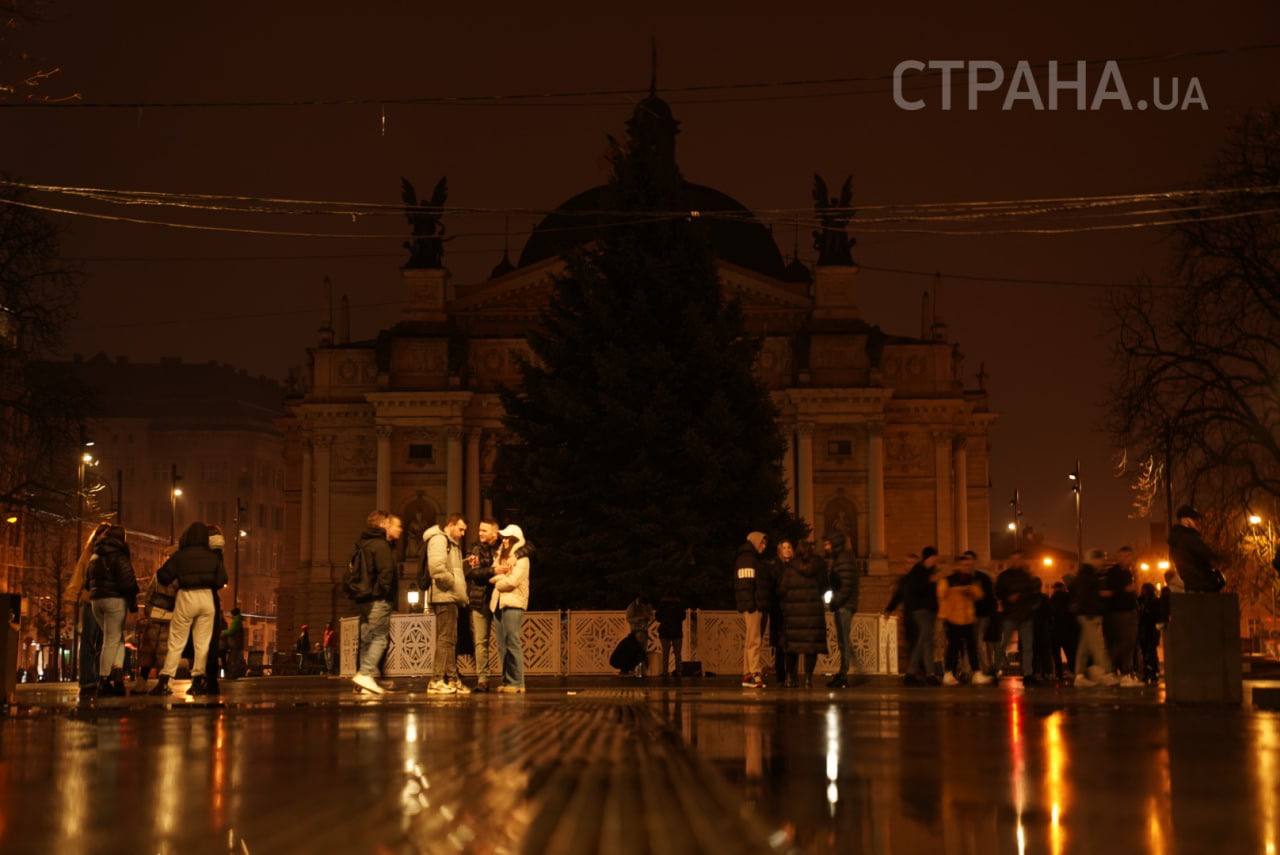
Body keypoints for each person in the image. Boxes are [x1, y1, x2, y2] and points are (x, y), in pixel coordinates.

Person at [150, 522, 228, 696]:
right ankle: (197, 682)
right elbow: (222, 579)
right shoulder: (212, 556)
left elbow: (162, 576)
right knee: (202, 643)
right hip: (207, 598)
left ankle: (165, 680)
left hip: (186, 596)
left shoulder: (181, 555)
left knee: (176, 641)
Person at [348, 510, 402, 696]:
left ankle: (364, 683)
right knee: (380, 638)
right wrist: (382, 593)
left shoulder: (363, 543)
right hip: (377, 599)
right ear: (382, 524)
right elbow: (386, 573)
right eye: (388, 522)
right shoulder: (381, 545)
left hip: (362, 598)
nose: (394, 527)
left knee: (366, 639)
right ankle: (365, 674)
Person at [85, 524, 139, 698]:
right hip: (114, 601)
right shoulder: (119, 555)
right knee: (111, 640)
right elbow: (128, 582)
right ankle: (104, 679)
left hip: (96, 602)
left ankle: (117, 677)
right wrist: (133, 603)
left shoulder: (95, 555)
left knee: (117, 639)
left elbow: (87, 582)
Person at [421, 513, 469, 695]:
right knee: (445, 639)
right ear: (451, 524)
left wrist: (466, 564)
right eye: (461, 529)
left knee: (449, 639)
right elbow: (437, 569)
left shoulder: (450, 543)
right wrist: (453, 583)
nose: (463, 533)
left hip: (450, 596)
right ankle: (436, 680)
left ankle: (453, 679)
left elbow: (450, 567)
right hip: (445, 596)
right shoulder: (439, 540)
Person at [885, 546, 940, 685]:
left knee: (925, 642)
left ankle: (927, 674)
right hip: (917, 614)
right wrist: (889, 608)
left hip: (926, 612)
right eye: (908, 563)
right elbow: (902, 594)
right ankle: (913, 673)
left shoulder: (928, 571)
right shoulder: (916, 574)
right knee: (921, 642)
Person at [67, 523, 109, 703]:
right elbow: (79, 574)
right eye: (103, 535)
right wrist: (72, 594)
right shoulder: (89, 553)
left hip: (105, 601)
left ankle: (98, 678)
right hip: (91, 600)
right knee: (90, 639)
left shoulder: (108, 553)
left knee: (101, 642)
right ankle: (87, 680)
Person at [778, 540, 828, 689]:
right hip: (813, 615)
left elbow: (782, 590)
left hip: (793, 614)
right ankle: (807, 679)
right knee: (811, 648)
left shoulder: (790, 568)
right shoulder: (818, 567)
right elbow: (825, 587)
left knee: (791, 648)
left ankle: (789, 678)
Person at [937, 553, 991, 686]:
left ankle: (976, 672)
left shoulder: (971, 579)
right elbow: (941, 594)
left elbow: (979, 595)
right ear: (958, 566)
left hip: (968, 618)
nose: (968, 567)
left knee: (972, 647)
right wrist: (959, 590)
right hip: (953, 618)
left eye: (969, 565)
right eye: (965, 565)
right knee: (954, 647)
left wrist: (971, 590)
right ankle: (948, 673)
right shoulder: (949, 580)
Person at [490, 524, 530, 694]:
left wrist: (498, 581)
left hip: (514, 603)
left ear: (516, 540)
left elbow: (512, 581)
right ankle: (507, 681)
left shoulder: (522, 559)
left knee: (512, 641)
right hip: (498, 603)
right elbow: (492, 574)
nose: (504, 541)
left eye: (508, 538)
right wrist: (498, 577)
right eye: (504, 538)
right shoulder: (500, 556)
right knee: (502, 645)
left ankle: (518, 682)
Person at [1071, 549, 1118, 687]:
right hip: (1089, 614)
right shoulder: (1088, 576)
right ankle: (1106, 673)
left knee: (1084, 647)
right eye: (1101, 559)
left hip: (1086, 613)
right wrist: (1096, 606)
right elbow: (1085, 596)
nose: (1102, 562)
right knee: (1097, 646)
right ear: (1094, 560)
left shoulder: (1085, 574)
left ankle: (1079, 676)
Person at [466, 518, 502, 690]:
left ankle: (508, 678)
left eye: (484, 530)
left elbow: (527, 547)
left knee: (504, 639)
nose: (480, 533)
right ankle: (483, 679)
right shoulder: (475, 549)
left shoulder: (504, 546)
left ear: (495, 532)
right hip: (479, 600)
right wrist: (493, 571)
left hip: (499, 598)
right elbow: (473, 573)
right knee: (481, 641)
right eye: (479, 530)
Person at [992, 553, 1038, 684]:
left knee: (1027, 646)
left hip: (1024, 615)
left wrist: (1021, 598)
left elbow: (1033, 593)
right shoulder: (1005, 576)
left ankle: (1028, 673)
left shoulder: (1026, 576)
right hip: (1010, 614)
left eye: (1019, 559)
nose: (1017, 561)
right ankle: (996, 670)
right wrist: (1008, 597)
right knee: (1003, 644)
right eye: (1015, 559)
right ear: (1010, 560)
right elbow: (998, 591)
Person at [734, 531, 771, 689]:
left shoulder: (749, 558)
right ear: (755, 542)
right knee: (754, 640)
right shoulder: (748, 559)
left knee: (751, 639)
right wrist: (751, 605)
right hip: (753, 606)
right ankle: (755, 673)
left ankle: (748, 674)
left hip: (754, 604)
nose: (764, 546)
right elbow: (745, 584)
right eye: (762, 543)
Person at [824, 533, 860, 688]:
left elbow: (845, 587)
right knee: (843, 641)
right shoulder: (841, 558)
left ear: (835, 544)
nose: (825, 547)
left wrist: (834, 603)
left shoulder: (843, 560)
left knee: (844, 641)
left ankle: (843, 675)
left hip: (844, 606)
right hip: (843, 605)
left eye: (827, 544)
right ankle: (843, 672)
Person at [1104, 546, 1142, 687]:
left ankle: (1118, 672)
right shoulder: (1116, 572)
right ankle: (1124, 673)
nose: (1127, 559)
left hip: (1126, 611)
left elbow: (1135, 591)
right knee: (1125, 643)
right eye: (1124, 556)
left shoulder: (1126, 572)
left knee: (1126, 643)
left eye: (1129, 556)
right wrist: (1131, 585)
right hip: (1121, 612)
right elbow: (1126, 590)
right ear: (1118, 557)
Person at [1167, 506, 1223, 592]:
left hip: (1191, 585)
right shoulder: (1189, 538)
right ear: (1185, 520)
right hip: (1202, 585)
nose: (1197, 522)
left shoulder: (1177, 539)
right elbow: (1208, 555)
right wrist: (1223, 559)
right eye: (1194, 519)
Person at [769, 540, 795, 686]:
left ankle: (791, 675)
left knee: (792, 644)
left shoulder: (795, 566)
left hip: (792, 609)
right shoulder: (776, 567)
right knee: (780, 645)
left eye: (789, 547)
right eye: (784, 548)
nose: (787, 550)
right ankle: (780, 676)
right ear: (780, 550)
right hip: (779, 610)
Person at [972, 557, 999, 676]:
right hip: (973, 615)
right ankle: (985, 667)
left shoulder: (982, 578)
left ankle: (986, 668)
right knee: (979, 643)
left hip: (982, 615)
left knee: (980, 642)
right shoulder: (979, 577)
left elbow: (988, 597)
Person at [1049, 579, 1077, 681]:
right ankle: (1072, 671)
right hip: (1067, 629)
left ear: (1055, 588)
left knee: (1056, 654)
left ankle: (1059, 673)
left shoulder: (1052, 598)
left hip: (1055, 629)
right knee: (1069, 652)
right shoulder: (1068, 597)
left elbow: (1050, 613)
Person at [655, 593, 685, 679]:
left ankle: (665, 672)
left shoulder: (662, 604)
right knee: (678, 653)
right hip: (677, 631)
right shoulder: (678, 604)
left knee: (665, 653)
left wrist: (665, 620)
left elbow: (657, 617)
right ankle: (679, 671)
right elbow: (683, 616)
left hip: (665, 631)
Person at [1137, 583, 1162, 684]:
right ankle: (1149, 671)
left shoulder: (1153, 601)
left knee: (1150, 652)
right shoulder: (1142, 600)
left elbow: (1154, 615)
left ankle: (1152, 671)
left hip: (1150, 630)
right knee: (1147, 652)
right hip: (1147, 630)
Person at [625, 594, 655, 677]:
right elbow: (629, 618)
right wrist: (640, 618)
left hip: (643, 630)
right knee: (637, 651)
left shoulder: (647, 605)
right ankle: (636, 670)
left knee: (643, 651)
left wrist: (647, 616)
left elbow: (651, 616)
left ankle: (642, 671)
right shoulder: (632, 606)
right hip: (636, 630)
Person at [222, 607, 246, 678]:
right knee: (236, 659)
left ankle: (233, 674)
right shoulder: (238, 620)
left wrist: (223, 632)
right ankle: (234, 673)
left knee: (233, 659)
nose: (230, 615)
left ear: (233, 614)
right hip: (238, 643)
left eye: (231, 614)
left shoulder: (236, 621)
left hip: (235, 643)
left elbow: (231, 631)